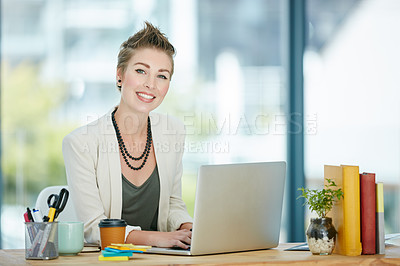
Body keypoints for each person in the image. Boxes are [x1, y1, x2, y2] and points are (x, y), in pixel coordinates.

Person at [62, 21, 193, 249]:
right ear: (120, 75)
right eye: (141, 71)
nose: (151, 84)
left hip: (162, 261)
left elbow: (172, 204)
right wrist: (159, 238)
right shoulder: (81, 143)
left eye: (162, 76)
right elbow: (93, 227)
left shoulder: (174, 132)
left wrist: (188, 229)